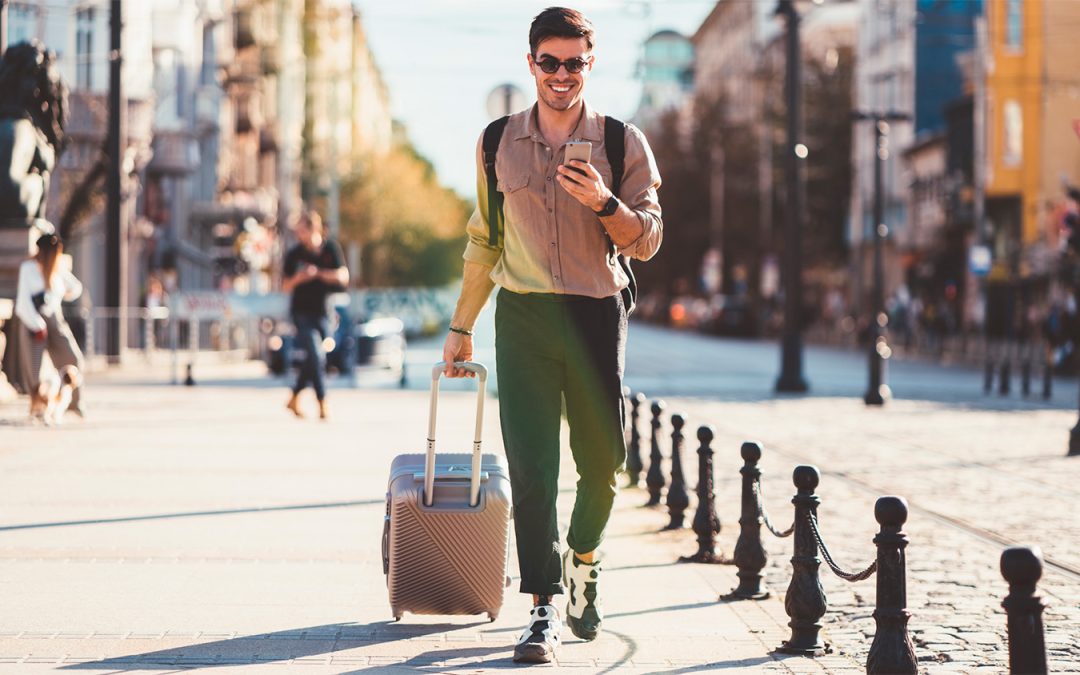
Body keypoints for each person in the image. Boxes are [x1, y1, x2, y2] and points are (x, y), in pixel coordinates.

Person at [441, 7, 662, 664]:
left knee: (603, 464)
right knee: (533, 470)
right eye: (550, 61)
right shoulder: (495, 143)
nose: (562, 75)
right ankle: (542, 604)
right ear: (531, 62)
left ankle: (584, 561)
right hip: (526, 316)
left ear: (590, 64)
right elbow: (484, 239)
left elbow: (649, 239)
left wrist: (603, 202)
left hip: (596, 314)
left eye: (575, 62)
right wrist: (461, 325)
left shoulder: (623, 143)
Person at [282, 210, 348, 420]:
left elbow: (343, 276)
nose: (299, 236)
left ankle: (294, 396)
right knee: (316, 354)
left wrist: (318, 273)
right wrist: (300, 278)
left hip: (324, 312)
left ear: (313, 229)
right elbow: (285, 286)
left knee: (314, 356)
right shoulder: (294, 254)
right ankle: (322, 402)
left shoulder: (330, 248)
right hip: (301, 313)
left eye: (302, 231)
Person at [14, 232, 85, 422]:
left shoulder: (58, 268)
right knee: (34, 369)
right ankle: (38, 406)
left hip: (54, 317)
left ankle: (73, 402)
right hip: (33, 321)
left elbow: (76, 287)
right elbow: (23, 302)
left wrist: (62, 294)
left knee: (72, 358)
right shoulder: (29, 268)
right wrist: (37, 324)